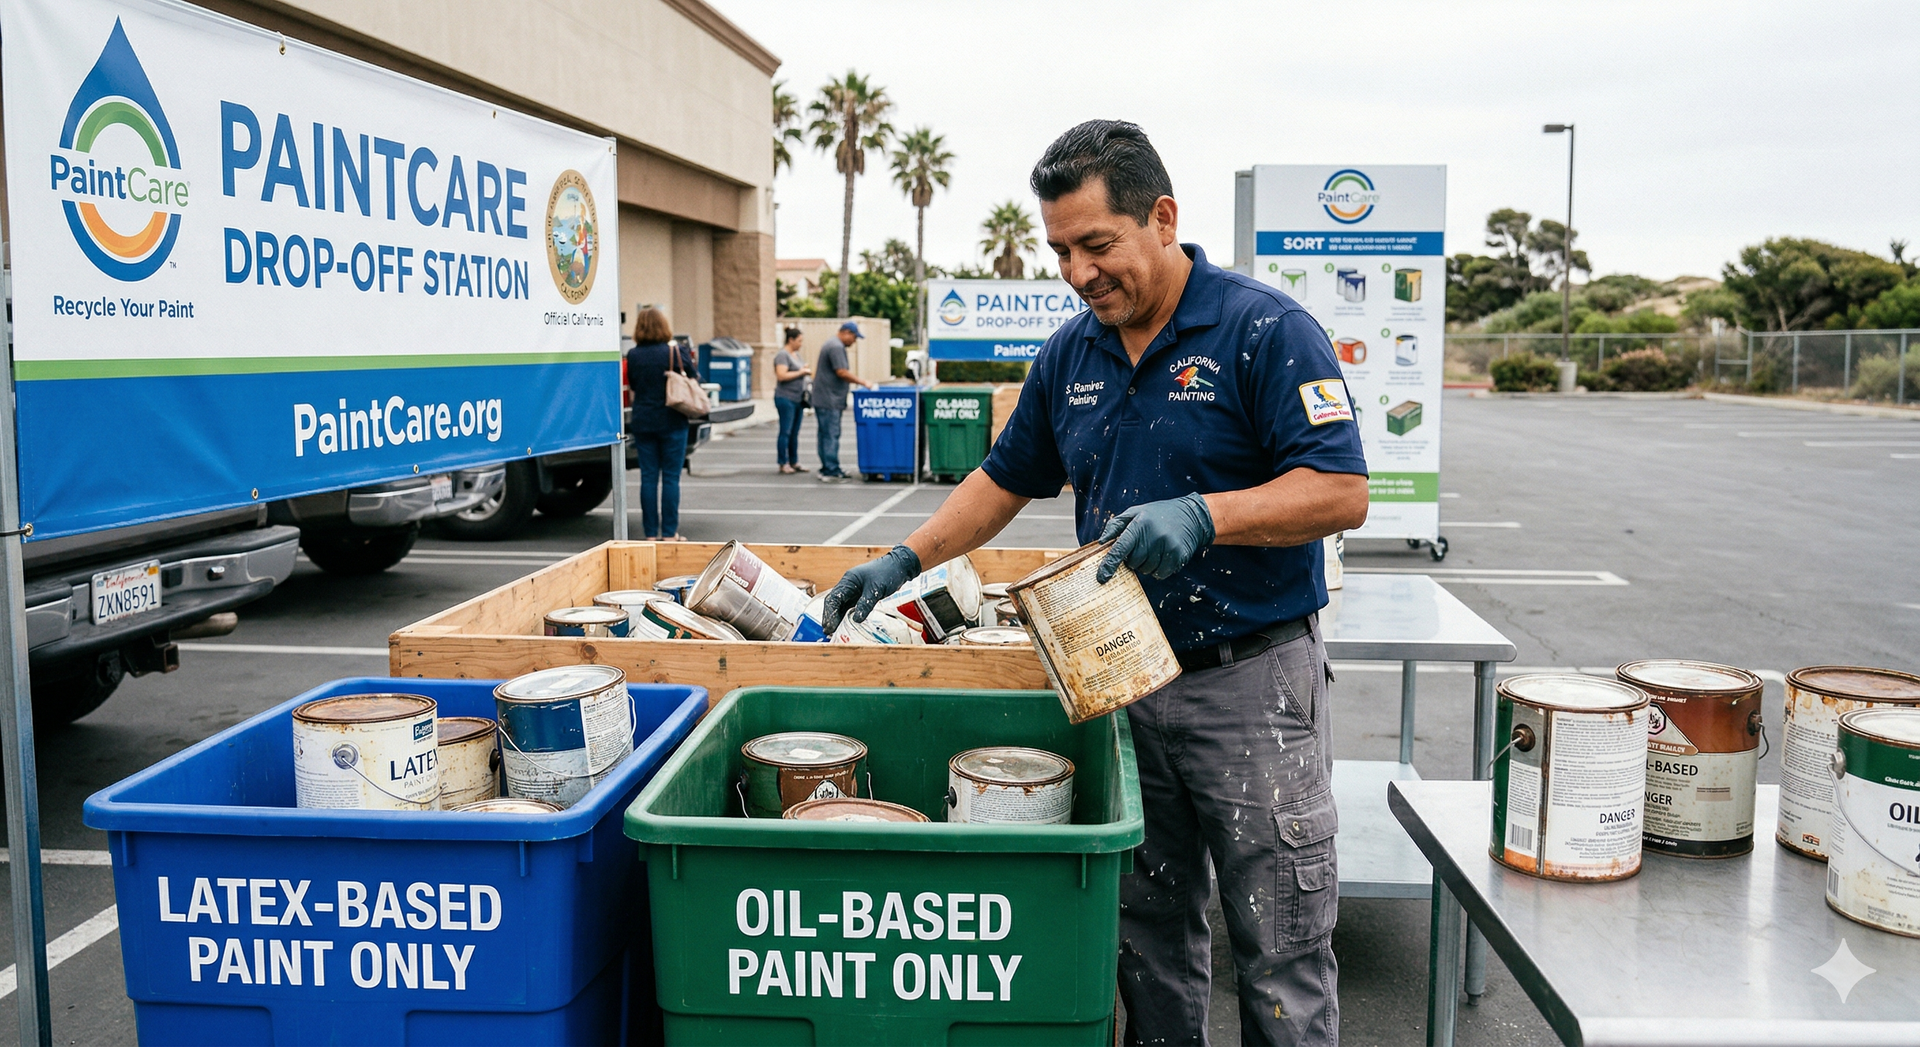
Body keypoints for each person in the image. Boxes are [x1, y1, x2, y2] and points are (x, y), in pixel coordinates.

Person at [820, 121, 1368, 1044]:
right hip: (1120, 681)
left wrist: (1207, 514)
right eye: (1061, 251)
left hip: (1251, 686)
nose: (1077, 272)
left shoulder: (1264, 329)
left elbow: (1340, 489)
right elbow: (1004, 478)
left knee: (1279, 944)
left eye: (1096, 245)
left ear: (1161, 218)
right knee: (1146, 936)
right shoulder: (1072, 353)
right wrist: (906, 559)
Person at [625, 306, 697, 541]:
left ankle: (649, 534)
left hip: (644, 421)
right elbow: (694, 376)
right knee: (670, 477)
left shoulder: (634, 355)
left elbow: (633, 385)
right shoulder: (675, 351)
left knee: (648, 477)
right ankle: (669, 533)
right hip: (673, 420)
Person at [812, 320, 875, 482]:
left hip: (825, 398)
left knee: (825, 434)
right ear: (846, 332)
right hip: (829, 399)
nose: (854, 342)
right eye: (854, 337)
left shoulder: (831, 344)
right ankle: (831, 470)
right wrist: (863, 382)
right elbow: (841, 372)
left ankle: (828, 467)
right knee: (831, 434)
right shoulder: (836, 347)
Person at [772, 325, 812, 474]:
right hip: (785, 397)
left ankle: (794, 461)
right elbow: (781, 375)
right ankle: (783, 462)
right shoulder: (783, 355)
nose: (801, 344)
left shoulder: (797, 355)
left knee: (794, 432)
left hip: (798, 398)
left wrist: (804, 370)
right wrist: (801, 372)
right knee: (786, 431)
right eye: (799, 341)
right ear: (791, 340)